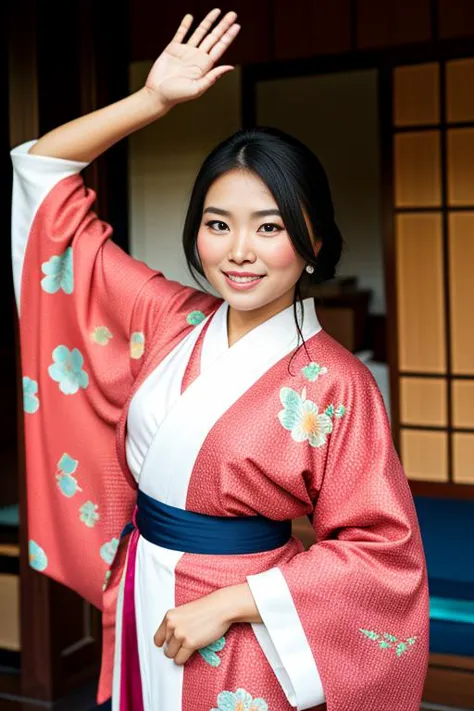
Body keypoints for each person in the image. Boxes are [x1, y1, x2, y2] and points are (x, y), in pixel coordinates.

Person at [11, 8, 430, 711]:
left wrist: (234, 602)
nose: (239, 250)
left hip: (243, 624)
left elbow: (381, 551)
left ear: (314, 243)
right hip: (144, 592)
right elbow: (41, 169)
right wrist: (152, 100)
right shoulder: (165, 315)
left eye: (269, 227)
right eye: (218, 224)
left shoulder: (338, 383)